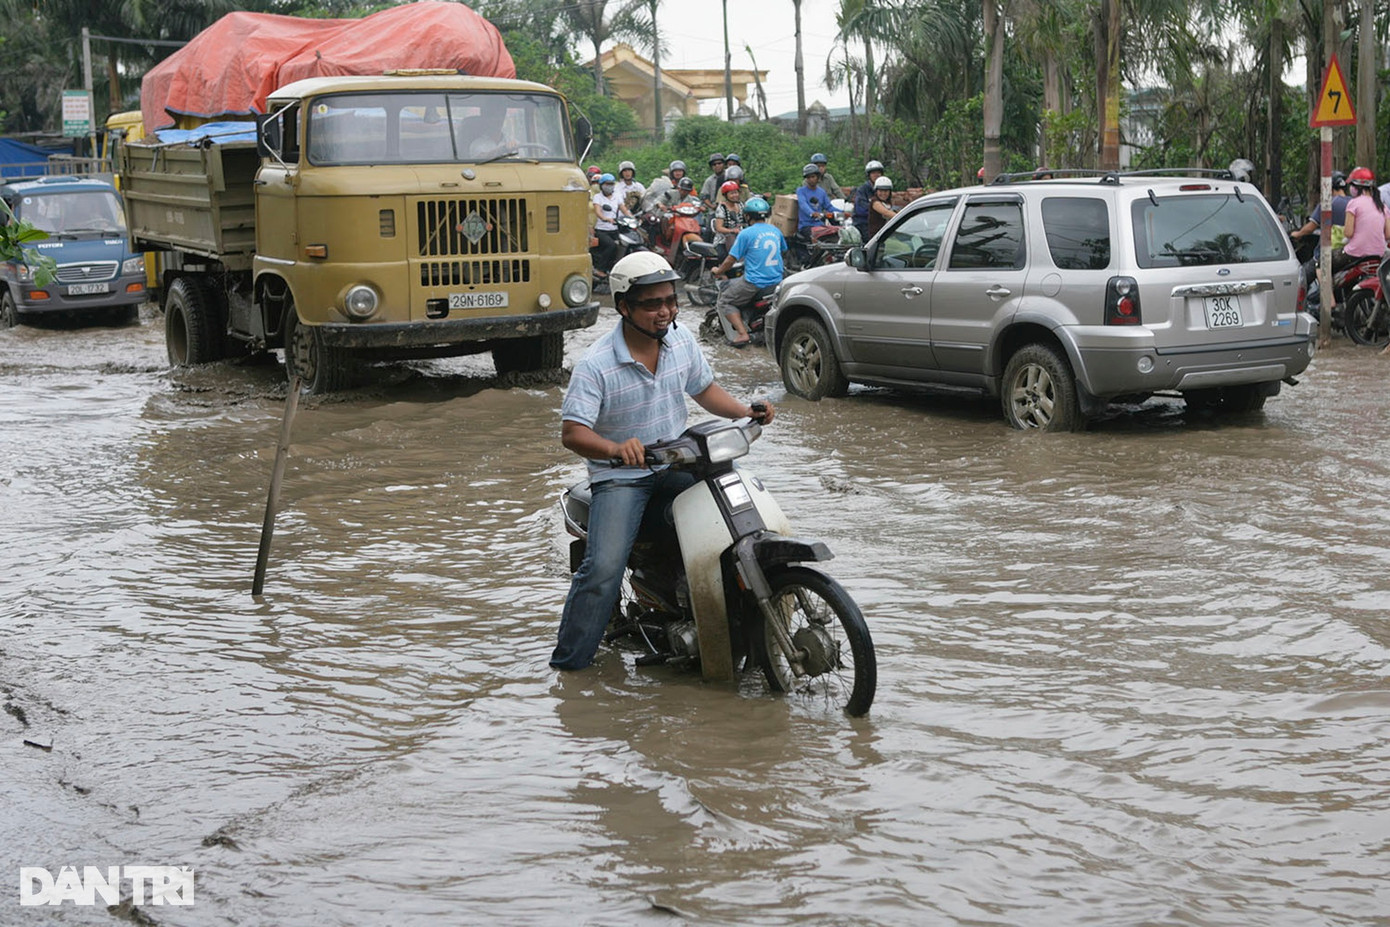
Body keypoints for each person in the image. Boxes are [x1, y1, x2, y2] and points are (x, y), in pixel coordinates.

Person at [550, 252, 775, 671]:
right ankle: (570, 667)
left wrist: (746, 411)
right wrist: (616, 450)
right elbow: (573, 434)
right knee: (602, 570)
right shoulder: (596, 365)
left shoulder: (682, 339)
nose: (666, 311)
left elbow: (705, 390)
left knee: (741, 518)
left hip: (677, 464)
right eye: (652, 304)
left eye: (670, 301)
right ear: (623, 307)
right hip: (622, 479)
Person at [711, 196, 786, 346]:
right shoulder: (776, 231)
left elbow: (730, 260)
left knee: (725, 301)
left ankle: (742, 334)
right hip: (778, 279)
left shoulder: (745, 233)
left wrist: (718, 270)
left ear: (747, 216)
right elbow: (783, 250)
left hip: (755, 282)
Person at [1332, 166, 1389, 274]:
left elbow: (1348, 233)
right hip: (1379, 255)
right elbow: (1388, 234)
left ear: (1357, 187)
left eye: (1352, 185)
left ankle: (1328, 291)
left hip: (1355, 253)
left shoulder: (1354, 203)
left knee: (1322, 262)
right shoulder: (1383, 206)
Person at [590, 173, 629, 279]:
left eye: (611, 184)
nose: (610, 186)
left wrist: (633, 218)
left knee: (624, 246)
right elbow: (598, 211)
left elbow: (624, 209)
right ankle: (599, 268)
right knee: (611, 245)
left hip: (615, 229)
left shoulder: (617, 197)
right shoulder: (598, 197)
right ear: (602, 185)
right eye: (607, 184)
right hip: (602, 230)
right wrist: (605, 218)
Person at [794, 163, 833, 266]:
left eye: (813, 176)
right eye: (808, 177)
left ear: (818, 177)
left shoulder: (822, 192)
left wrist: (843, 211)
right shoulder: (801, 191)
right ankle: (810, 265)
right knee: (817, 242)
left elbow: (829, 206)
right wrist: (812, 213)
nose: (811, 179)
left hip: (819, 225)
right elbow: (803, 205)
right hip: (805, 226)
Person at [711, 180, 744, 259]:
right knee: (724, 256)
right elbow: (719, 228)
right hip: (723, 240)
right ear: (726, 195)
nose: (735, 195)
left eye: (736, 192)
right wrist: (732, 231)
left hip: (740, 238)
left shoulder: (740, 205)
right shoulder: (722, 208)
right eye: (731, 193)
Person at [852, 160, 885, 240]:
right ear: (869, 175)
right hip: (864, 224)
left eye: (878, 173)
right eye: (873, 173)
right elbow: (861, 209)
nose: (876, 175)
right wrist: (879, 210)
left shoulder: (883, 188)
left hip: (880, 224)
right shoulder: (862, 190)